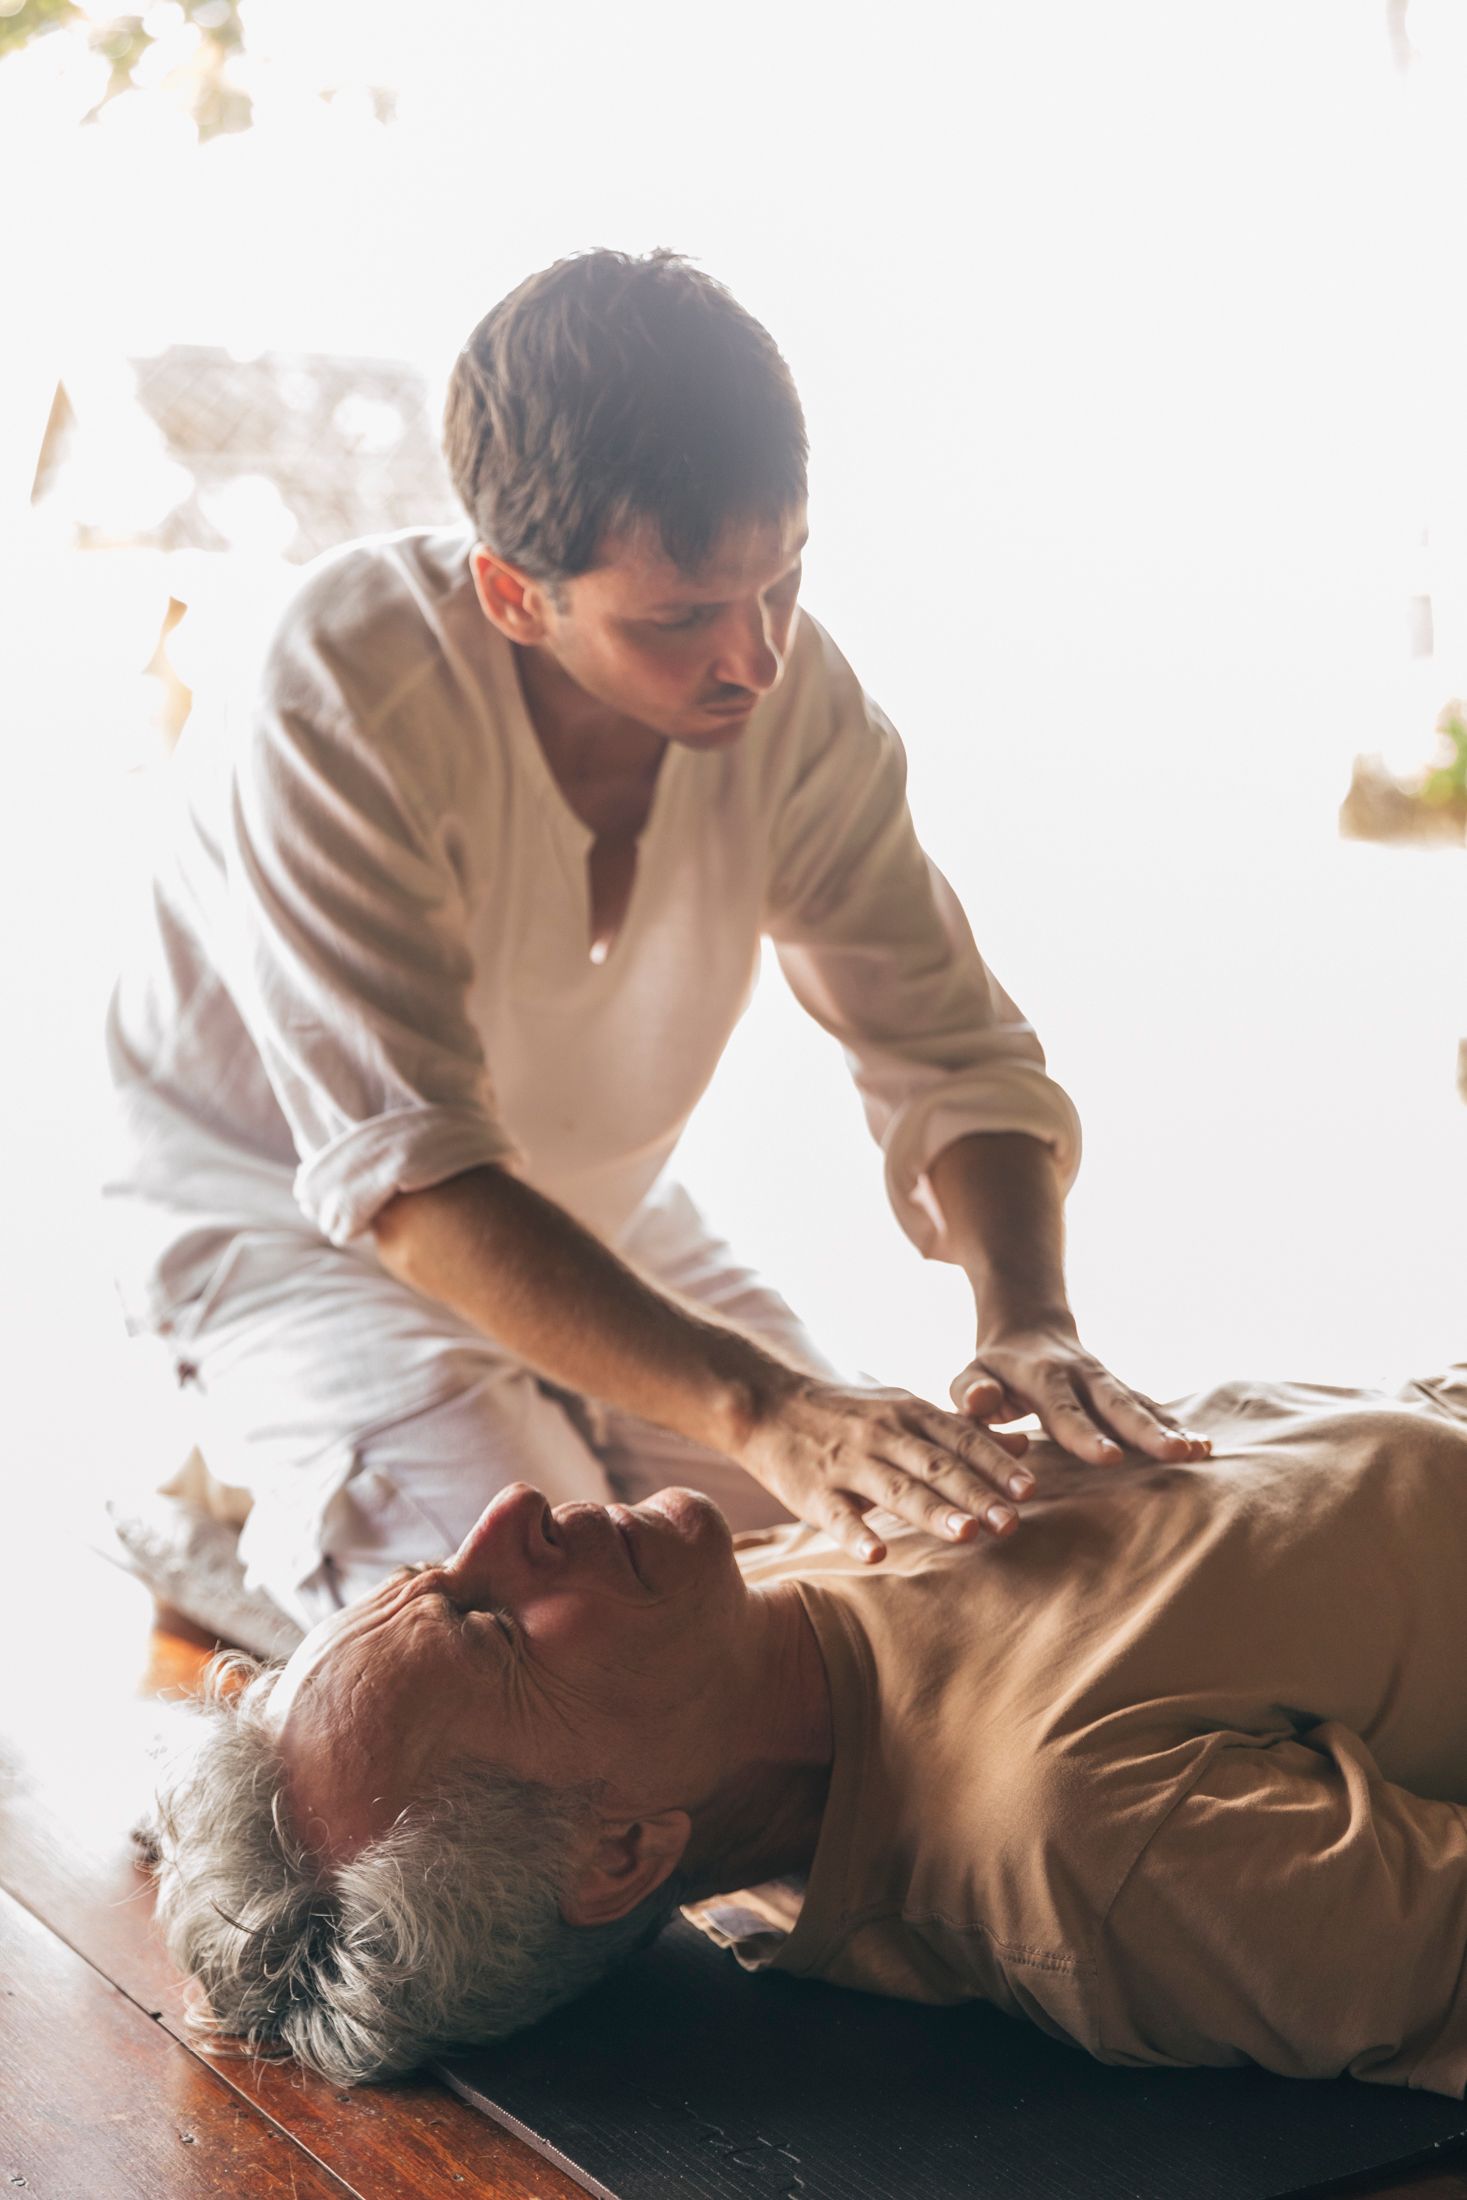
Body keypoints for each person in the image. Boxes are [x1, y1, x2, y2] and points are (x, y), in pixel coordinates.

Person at [103, 247, 1202, 1636]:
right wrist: (763, 1407)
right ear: (513, 594)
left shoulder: (788, 697)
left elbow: (949, 1049)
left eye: (782, 582)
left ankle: (415, 1473)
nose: (754, 657)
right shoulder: (342, 693)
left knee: (905, 1563)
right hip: (292, 1240)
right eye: (681, 617)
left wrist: (1027, 1318)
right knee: (573, 1643)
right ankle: (257, 1503)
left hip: (592, 1216)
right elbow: (417, 1189)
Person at [145, 1363, 1467, 2095]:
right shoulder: (1082, 1845)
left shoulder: (723, 1614)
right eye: (493, 1625)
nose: (509, 1517)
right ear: (617, 1856)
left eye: (434, 1580)